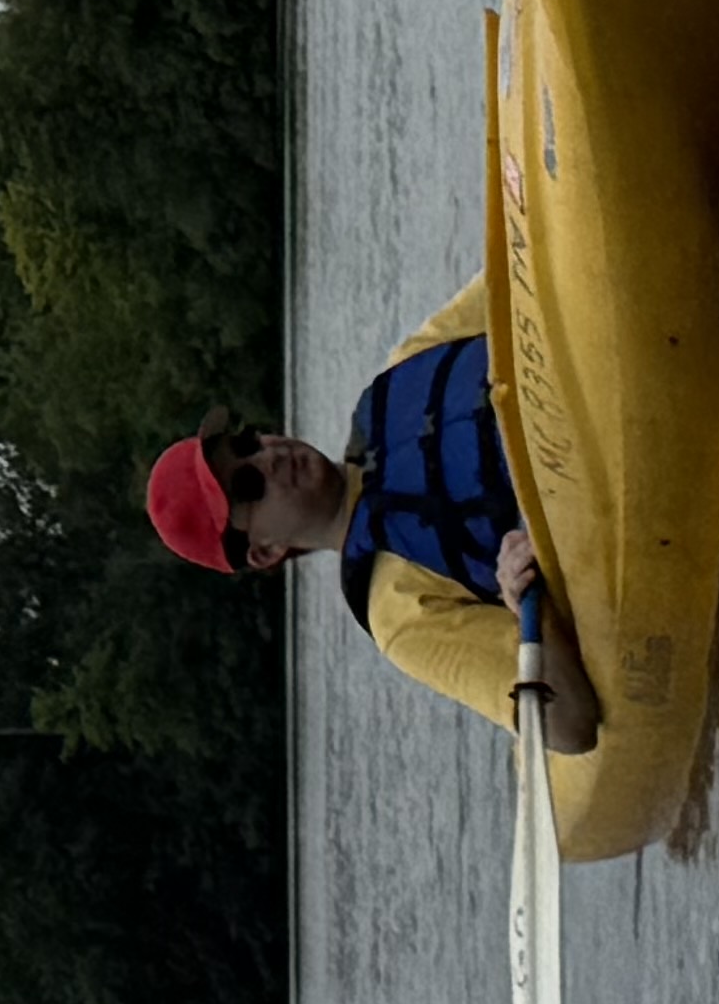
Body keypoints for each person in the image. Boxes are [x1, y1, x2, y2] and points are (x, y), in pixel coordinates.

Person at [144, 277, 608, 752]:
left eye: (247, 443)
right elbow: (567, 725)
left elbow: (519, 262)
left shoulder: (403, 370)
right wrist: (528, 602)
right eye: (248, 486)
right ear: (265, 551)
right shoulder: (398, 614)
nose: (269, 457)